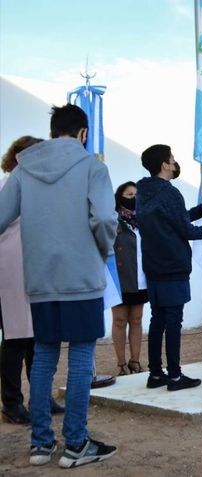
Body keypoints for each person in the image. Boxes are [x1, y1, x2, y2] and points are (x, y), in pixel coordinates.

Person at [0, 105, 118, 467]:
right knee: (81, 357)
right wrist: (102, 249)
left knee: (44, 357)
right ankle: (76, 444)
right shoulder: (92, 167)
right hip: (80, 277)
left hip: (40, 278)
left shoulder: (23, 170)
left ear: (52, 131)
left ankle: (40, 445)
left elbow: (2, 217)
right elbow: (103, 217)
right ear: (83, 133)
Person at [136, 144, 202, 391]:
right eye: (172, 159)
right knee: (173, 322)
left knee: (158, 320)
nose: (175, 163)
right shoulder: (170, 193)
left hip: (153, 267)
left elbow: (176, 219)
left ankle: (155, 374)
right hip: (173, 267)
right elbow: (185, 229)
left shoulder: (144, 192)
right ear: (164, 164)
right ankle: (174, 376)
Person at [0, 136, 65, 426]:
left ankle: (40, 397)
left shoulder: (36, 187)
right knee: (16, 340)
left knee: (38, 339)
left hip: (36, 271)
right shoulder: (6, 186)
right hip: (11, 272)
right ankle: (11, 403)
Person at [111, 181, 148, 375]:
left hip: (141, 277)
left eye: (136, 194)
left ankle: (135, 361)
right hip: (120, 277)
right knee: (119, 320)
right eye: (128, 194)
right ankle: (121, 364)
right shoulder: (113, 220)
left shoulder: (143, 219)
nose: (133, 198)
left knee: (137, 319)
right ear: (120, 197)